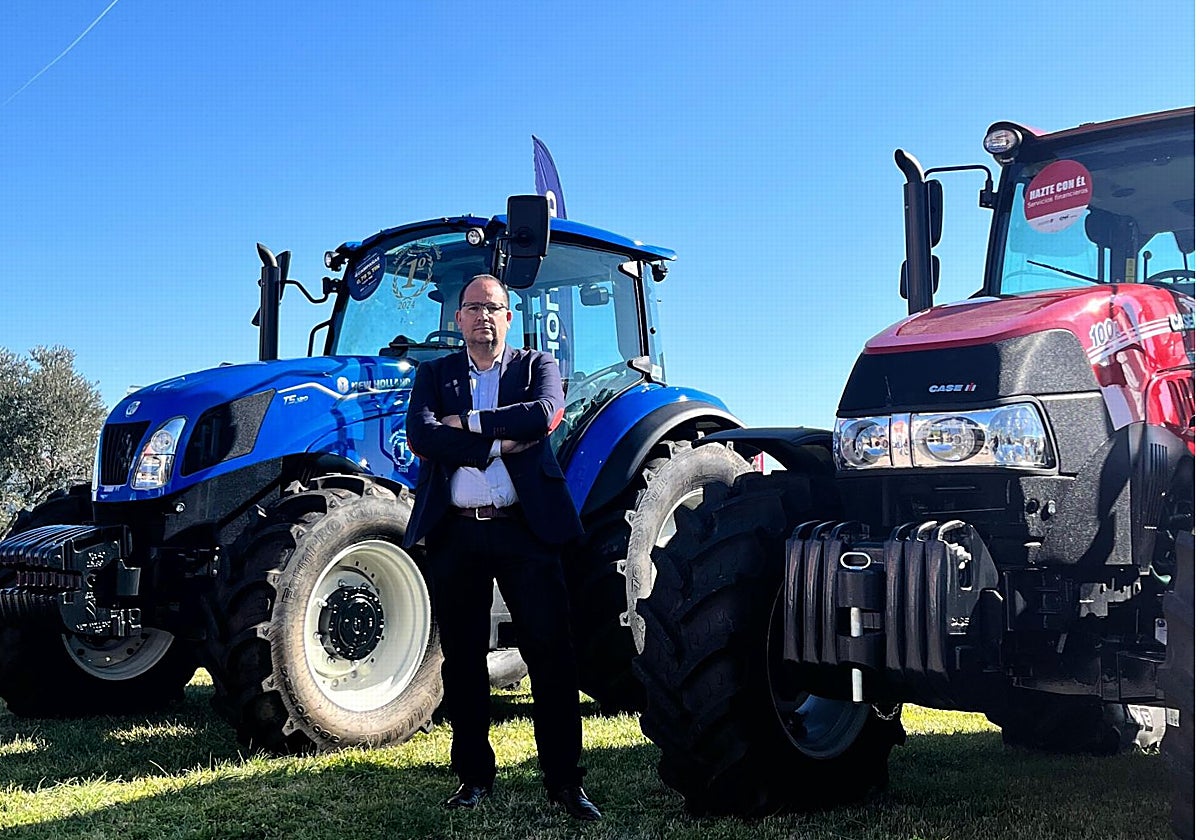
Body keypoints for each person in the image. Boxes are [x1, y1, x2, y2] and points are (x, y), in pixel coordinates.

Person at [404, 273, 601, 821]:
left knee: (551, 656)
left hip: (525, 532)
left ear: (509, 318)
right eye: (473, 308)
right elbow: (421, 435)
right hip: (458, 533)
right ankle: (473, 777)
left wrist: (466, 426)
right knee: (463, 661)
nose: (483, 318)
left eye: (493, 308)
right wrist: (499, 441)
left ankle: (564, 782)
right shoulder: (434, 374)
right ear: (459, 319)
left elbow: (542, 416)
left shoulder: (538, 367)